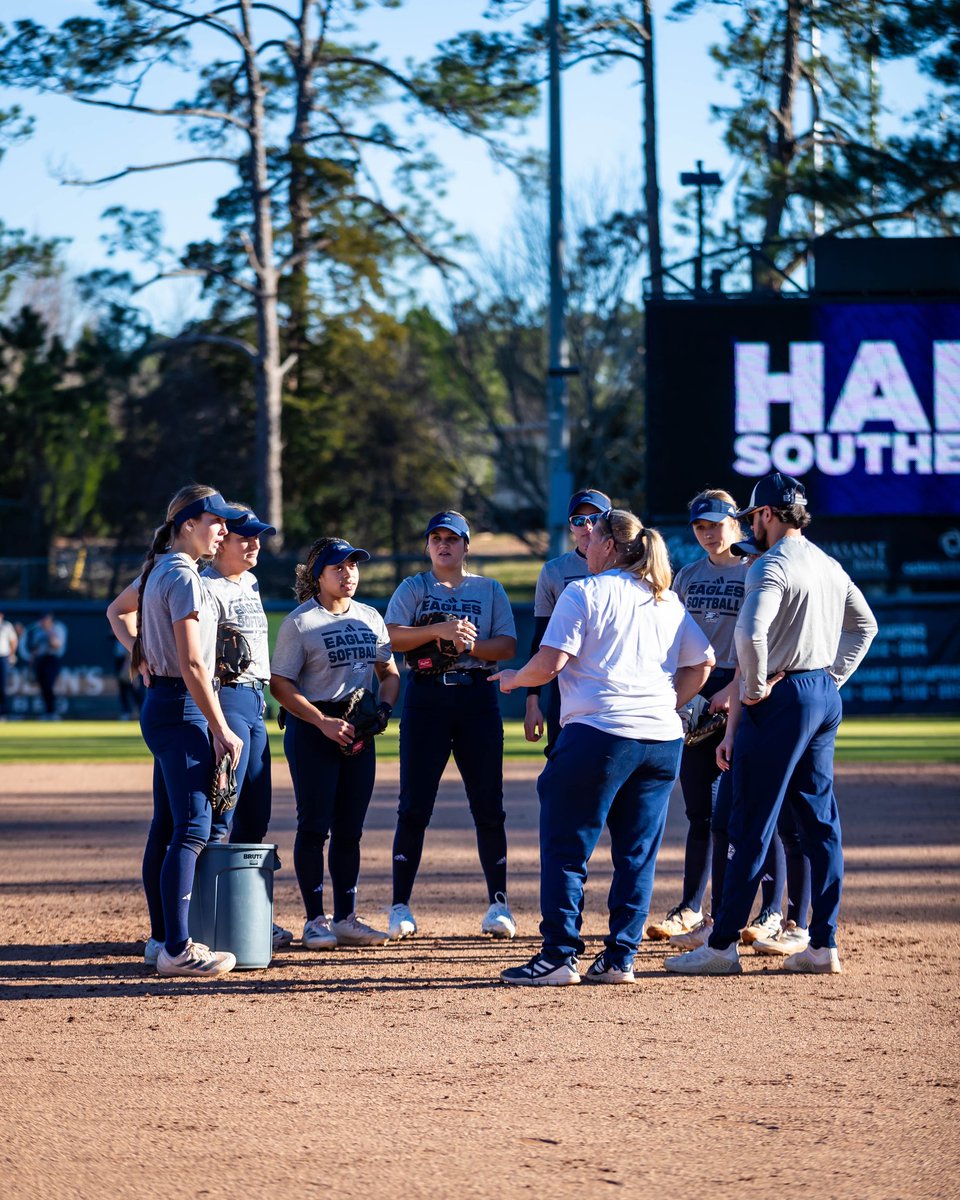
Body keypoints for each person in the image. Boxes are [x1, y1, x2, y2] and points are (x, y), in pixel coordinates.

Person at [665, 472, 877, 977]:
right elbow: (864, 625)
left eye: (752, 518)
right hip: (821, 696)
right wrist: (830, 679)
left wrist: (755, 689)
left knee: (748, 821)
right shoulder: (827, 563)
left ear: (766, 515)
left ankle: (721, 947)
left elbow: (751, 636)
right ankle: (821, 944)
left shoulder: (770, 565)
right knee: (820, 823)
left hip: (780, 699)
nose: (749, 528)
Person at [494, 509, 714, 986]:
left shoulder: (585, 592)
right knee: (636, 853)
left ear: (611, 546)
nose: (585, 543)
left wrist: (514, 679)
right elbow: (704, 663)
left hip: (598, 734)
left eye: (592, 536)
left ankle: (558, 956)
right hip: (660, 739)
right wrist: (663, 704)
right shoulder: (666, 600)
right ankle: (620, 957)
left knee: (567, 847)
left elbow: (550, 663)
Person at [107, 484, 245, 979]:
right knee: (192, 830)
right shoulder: (183, 577)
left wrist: (139, 653)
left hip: (163, 703)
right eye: (216, 522)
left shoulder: (161, 568)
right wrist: (221, 726)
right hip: (183, 707)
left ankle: (161, 939)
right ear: (188, 524)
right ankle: (179, 949)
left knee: (167, 827)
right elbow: (191, 662)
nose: (224, 530)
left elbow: (115, 612)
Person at [647, 490, 785, 947]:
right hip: (697, 689)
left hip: (746, 684)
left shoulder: (754, 570)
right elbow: (671, 639)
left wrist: (733, 688)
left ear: (737, 524)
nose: (708, 533)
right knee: (700, 811)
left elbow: (763, 638)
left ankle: (768, 913)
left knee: (758, 808)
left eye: (715, 524)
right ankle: (693, 907)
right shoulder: (686, 576)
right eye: (699, 527)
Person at [384, 510, 518, 941]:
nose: (444, 545)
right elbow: (390, 636)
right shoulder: (413, 587)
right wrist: (441, 630)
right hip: (426, 696)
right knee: (414, 805)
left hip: (477, 697)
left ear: (466, 545)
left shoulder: (489, 588)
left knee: (488, 804)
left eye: (452, 539)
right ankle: (400, 906)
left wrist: (469, 643)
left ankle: (499, 904)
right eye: (436, 538)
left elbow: (508, 646)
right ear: (428, 545)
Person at [270, 537, 401, 950]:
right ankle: (315, 920)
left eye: (353, 566)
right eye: (338, 567)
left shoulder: (370, 617)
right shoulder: (300, 622)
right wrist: (321, 721)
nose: (348, 574)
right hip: (313, 730)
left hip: (358, 731)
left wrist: (383, 710)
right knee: (314, 827)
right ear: (318, 575)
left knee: (350, 830)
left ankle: (346, 918)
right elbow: (280, 684)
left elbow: (390, 672)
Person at [203, 504, 293, 951]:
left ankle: (247, 915)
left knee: (255, 810)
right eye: (245, 537)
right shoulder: (203, 585)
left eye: (258, 536)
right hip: (227, 695)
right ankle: (205, 919)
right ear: (222, 542)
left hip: (256, 696)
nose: (255, 544)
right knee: (221, 806)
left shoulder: (250, 581)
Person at [524, 488, 611, 755]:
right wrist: (532, 701)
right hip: (566, 686)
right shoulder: (554, 571)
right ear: (570, 527)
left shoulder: (628, 568)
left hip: (611, 685)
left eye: (595, 518)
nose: (587, 527)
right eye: (578, 520)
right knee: (562, 764)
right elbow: (541, 638)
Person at [27, 612, 67, 718]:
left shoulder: (57, 629)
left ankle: (53, 712)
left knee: (50, 685)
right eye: (42, 619)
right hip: (40, 659)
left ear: (50, 620)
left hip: (52, 659)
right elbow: (35, 647)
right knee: (43, 686)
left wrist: (49, 633)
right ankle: (47, 712)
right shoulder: (37, 631)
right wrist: (32, 658)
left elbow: (57, 645)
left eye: (45, 619)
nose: (43, 621)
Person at [0, 610, 18, 719]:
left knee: (2, 686)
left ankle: (4, 712)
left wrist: (11, 655)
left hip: (3, 657)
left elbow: (13, 641)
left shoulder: (7, 626)